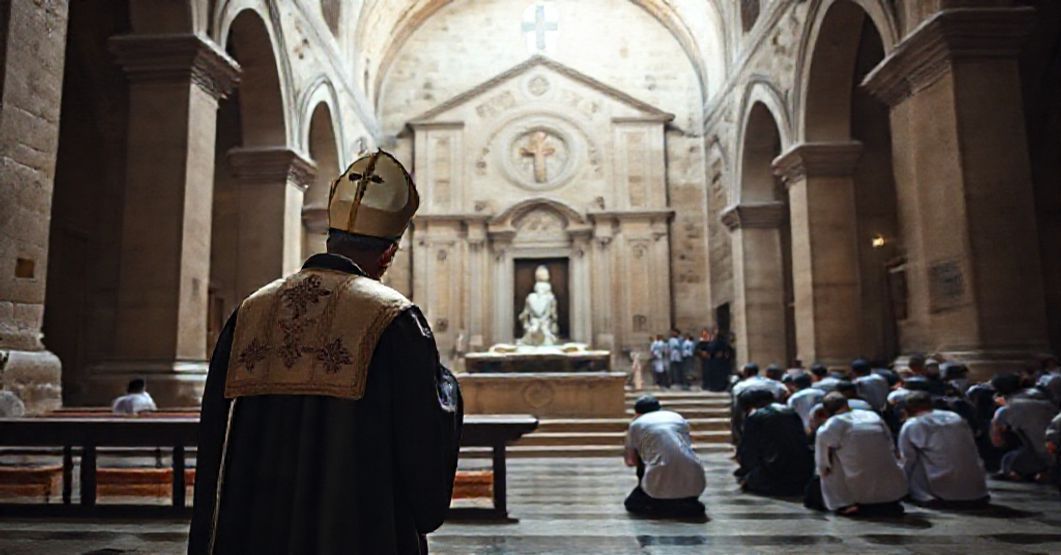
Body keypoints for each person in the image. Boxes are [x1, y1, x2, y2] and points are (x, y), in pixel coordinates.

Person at [189, 150, 463, 555]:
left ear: (330, 238)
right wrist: (447, 388)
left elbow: (216, 437)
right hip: (352, 530)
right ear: (388, 254)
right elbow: (421, 433)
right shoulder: (393, 318)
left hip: (253, 530)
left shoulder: (251, 310)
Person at [814, 392, 907, 516]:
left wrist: (822, 469)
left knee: (830, 464)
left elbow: (822, 457)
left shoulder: (832, 424)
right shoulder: (872, 415)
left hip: (856, 475)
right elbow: (890, 442)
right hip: (887, 473)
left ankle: (844, 504)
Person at [898, 392, 989, 506]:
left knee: (913, 460)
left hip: (941, 490)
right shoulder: (955, 417)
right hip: (977, 488)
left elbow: (907, 459)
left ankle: (924, 495)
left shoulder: (913, 424)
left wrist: (899, 485)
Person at [624, 395, 706, 517]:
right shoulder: (676, 417)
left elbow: (631, 461)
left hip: (656, 488)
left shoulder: (637, 423)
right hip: (695, 481)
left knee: (632, 503)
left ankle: (659, 503)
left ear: (637, 412)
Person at [735, 389, 813, 496]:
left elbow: (748, 450)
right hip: (803, 470)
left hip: (775, 473)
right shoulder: (791, 412)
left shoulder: (756, 417)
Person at [990, 373, 1056, 481]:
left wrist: (997, 418)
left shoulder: (1007, 409)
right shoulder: (1047, 400)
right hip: (1054, 450)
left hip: (1044, 456)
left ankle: (1039, 472)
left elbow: (997, 442)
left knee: (1008, 460)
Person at [697, 327, 731, 392]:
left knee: (718, 375)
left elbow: (724, 351)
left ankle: (718, 387)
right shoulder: (710, 342)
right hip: (712, 361)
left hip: (719, 361)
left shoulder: (721, 342)